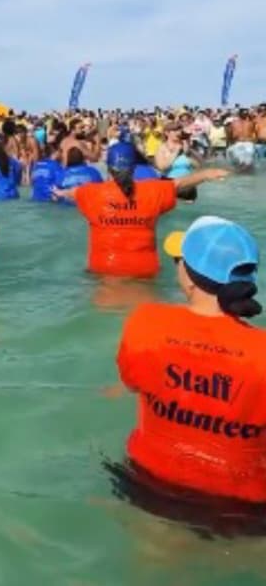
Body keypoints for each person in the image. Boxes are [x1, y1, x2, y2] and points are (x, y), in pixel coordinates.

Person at [112, 216, 266, 515]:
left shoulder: (146, 322)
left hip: (149, 486)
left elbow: (132, 382)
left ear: (190, 277)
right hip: (241, 507)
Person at [56, 142, 227, 279]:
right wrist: (206, 174)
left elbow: (74, 192)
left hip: (103, 269)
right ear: (133, 168)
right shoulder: (152, 190)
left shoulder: (91, 193)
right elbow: (179, 184)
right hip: (144, 270)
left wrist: (60, 192)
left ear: (108, 167)